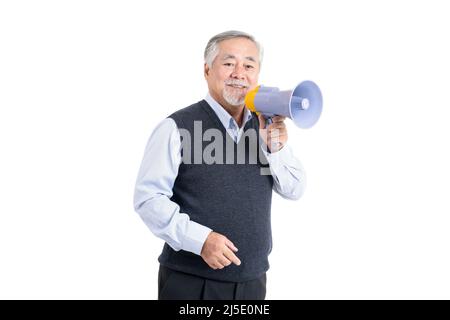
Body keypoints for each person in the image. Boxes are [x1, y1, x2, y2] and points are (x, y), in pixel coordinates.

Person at [134, 30, 306, 300]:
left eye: (249, 65)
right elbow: (148, 199)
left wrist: (277, 148)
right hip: (192, 283)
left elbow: (294, 190)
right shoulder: (176, 127)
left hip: (253, 282)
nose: (239, 73)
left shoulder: (265, 125)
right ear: (207, 70)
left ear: (257, 74)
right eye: (228, 63)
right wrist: (200, 240)